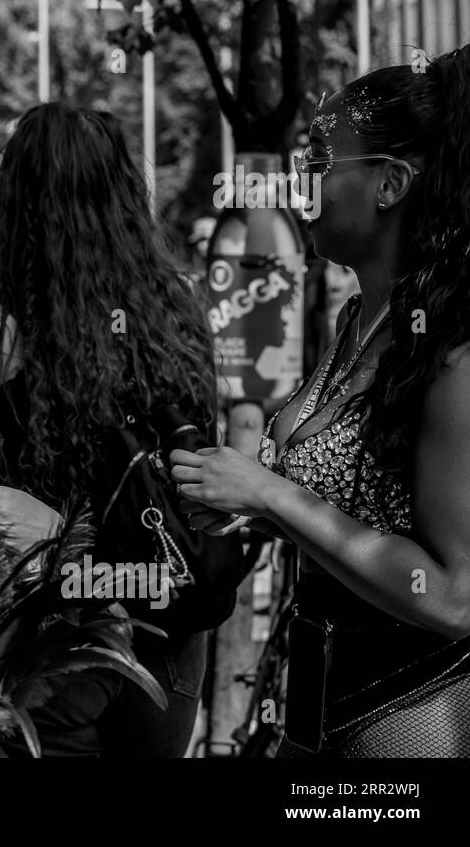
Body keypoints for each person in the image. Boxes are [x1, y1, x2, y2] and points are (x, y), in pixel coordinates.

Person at [170, 47, 470, 757]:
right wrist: (244, 502)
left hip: (408, 714)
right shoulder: (357, 320)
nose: (298, 188)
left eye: (318, 165)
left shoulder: (451, 350)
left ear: (391, 183)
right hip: (318, 703)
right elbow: (342, 508)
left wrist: (271, 496)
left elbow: (457, 597)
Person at [0, 102, 219, 756]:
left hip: (44, 637)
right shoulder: (177, 312)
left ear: (13, 200)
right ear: (125, 196)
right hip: (168, 625)